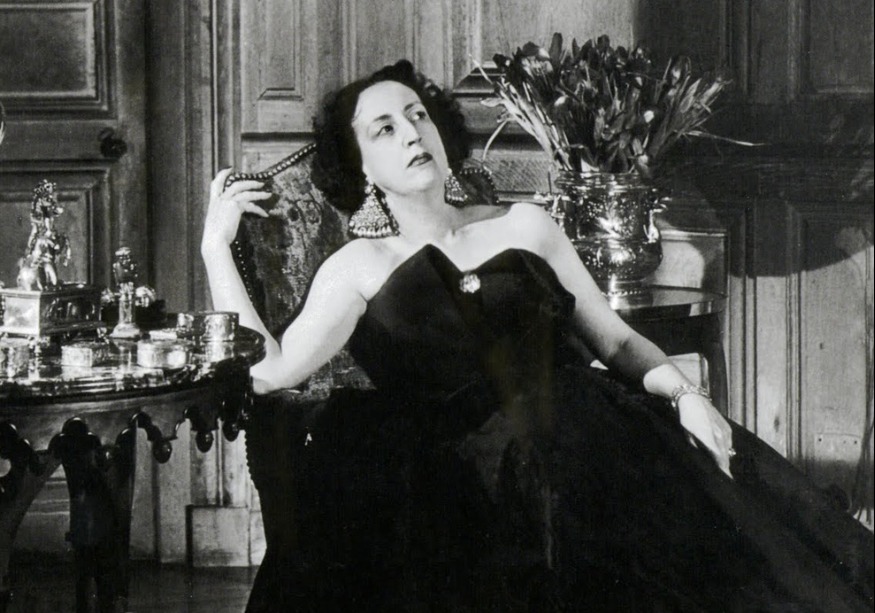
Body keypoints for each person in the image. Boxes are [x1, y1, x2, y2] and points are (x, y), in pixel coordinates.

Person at [202, 60, 873, 612]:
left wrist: (686, 395)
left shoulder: (525, 225)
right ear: (362, 168)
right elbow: (270, 369)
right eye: (384, 128)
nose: (412, 133)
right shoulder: (356, 267)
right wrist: (215, 249)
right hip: (462, 484)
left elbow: (615, 341)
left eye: (417, 115)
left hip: (589, 442)